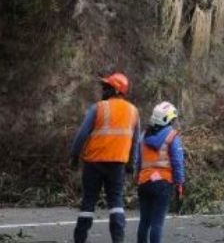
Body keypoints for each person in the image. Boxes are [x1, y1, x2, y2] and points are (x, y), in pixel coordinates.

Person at [70, 73, 141, 243]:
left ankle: (80, 239)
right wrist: (132, 164)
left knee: (88, 202)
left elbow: (81, 135)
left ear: (115, 90)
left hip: (93, 163)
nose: (103, 90)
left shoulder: (99, 107)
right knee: (116, 203)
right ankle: (118, 239)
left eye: (106, 87)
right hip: (117, 164)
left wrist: (74, 155)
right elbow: (135, 141)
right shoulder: (134, 112)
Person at [136, 102, 185, 243]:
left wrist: (137, 178)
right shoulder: (172, 136)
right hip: (163, 183)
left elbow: (138, 161)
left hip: (144, 182)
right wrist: (180, 183)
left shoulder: (143, 136)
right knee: (157, 224)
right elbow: (177, 162)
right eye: (172, 119)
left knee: (144, 222)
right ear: (168, 119)